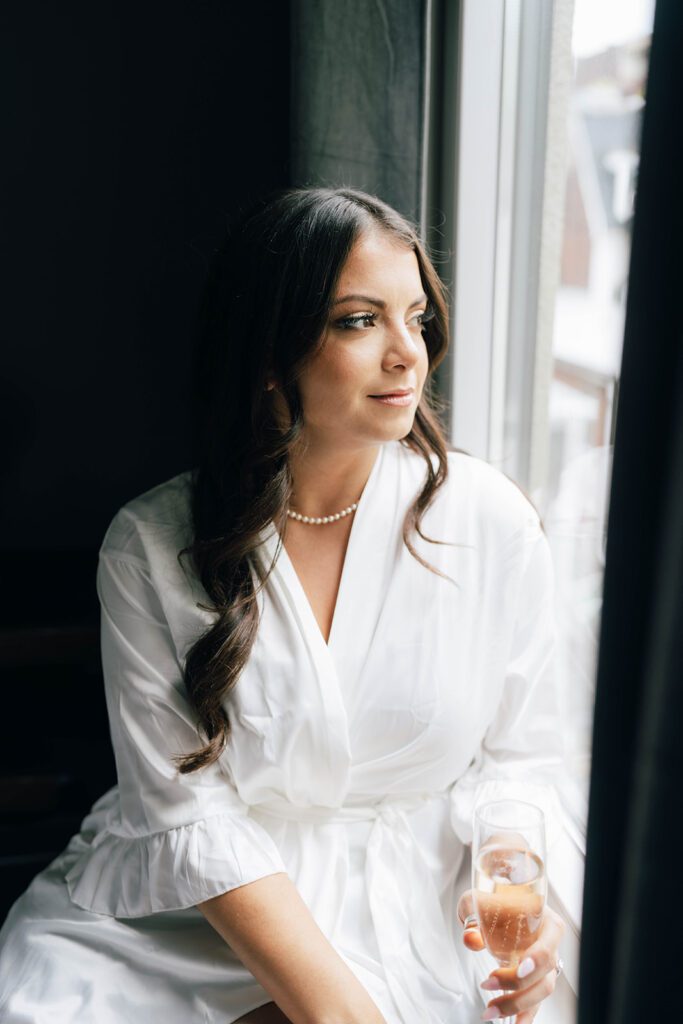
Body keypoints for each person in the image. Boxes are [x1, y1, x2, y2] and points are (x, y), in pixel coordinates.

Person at [0, 186, 568, 1023]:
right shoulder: (150, 545)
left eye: (414, 317)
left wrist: (509, 874)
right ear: (270, 353)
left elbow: (522, 757)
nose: (407, 353)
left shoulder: (492, 522)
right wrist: (340, 1011)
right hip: (207, 911)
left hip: (429, 896)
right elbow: (186, 808)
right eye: (357, 321)